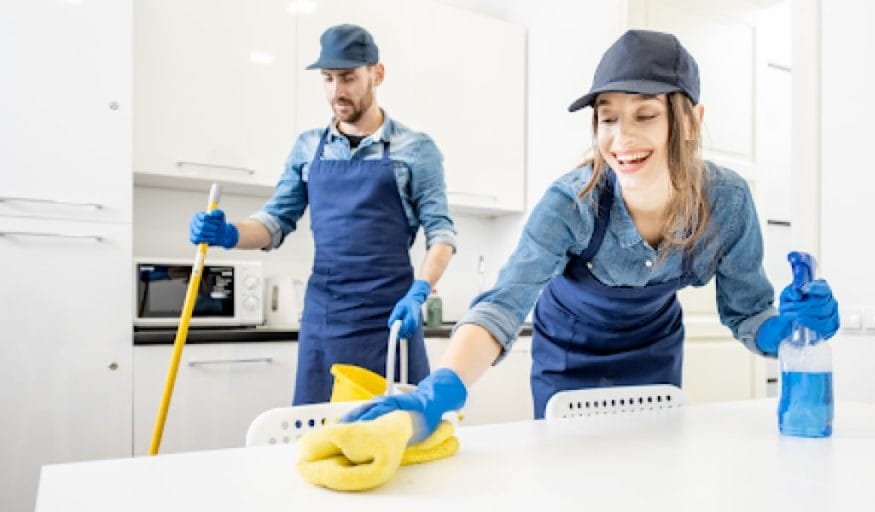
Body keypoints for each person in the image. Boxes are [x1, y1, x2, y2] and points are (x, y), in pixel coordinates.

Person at [345, 30, 839, 441]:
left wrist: (789, 333)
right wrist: (443, 385)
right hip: (567, 354)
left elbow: (748, 310)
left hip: (654, 351)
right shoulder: (571, 203)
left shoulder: (726, 204)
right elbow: (502, 305)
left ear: (690, 121)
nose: (621, 140)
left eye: (645, 114)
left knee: (652, 469)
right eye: (608, 117)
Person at [188, 24, 457, 405]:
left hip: (393, 318)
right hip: (326, 318)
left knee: (398, 435)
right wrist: (229, 234)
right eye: (328, 79)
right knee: (317, 435)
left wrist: (420, 291)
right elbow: (274, 221)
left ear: (376, 74)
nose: (336, 92)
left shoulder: (415, 149)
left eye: (347, 78)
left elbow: (442, 234)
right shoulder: (307, 147)